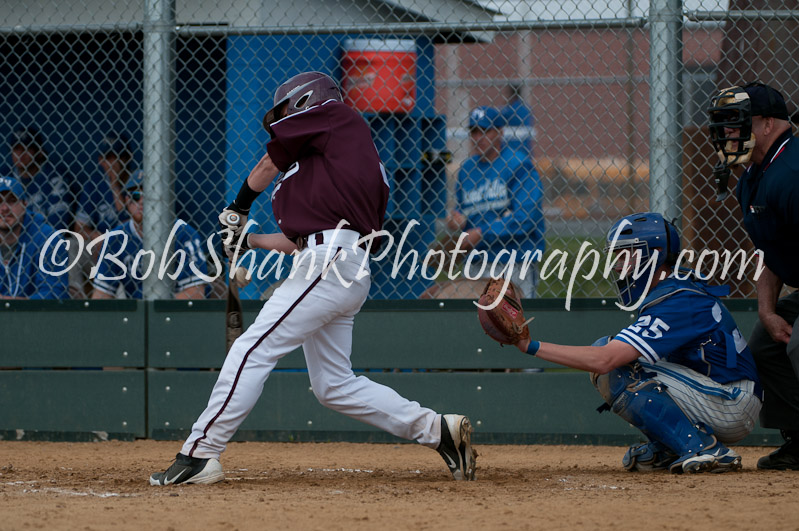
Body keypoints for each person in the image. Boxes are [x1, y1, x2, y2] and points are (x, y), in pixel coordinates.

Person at [149, 71, 477, 486]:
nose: (283, 121)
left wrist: (239, 206)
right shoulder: (330, 157)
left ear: (307, 100)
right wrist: (247, 241)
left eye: (286, 110)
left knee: (251, 350)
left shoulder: (336, 114)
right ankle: (438, 430)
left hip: (330, 262)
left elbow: (269, 166)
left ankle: (200, 453)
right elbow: (299, 239)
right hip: (337, 263)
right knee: (333, 385)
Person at [509, 212, 761, 473]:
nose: (618, 265)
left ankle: (703, 448)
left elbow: (604, 359)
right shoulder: (672, 287)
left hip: (731, 403)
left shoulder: (678, 300)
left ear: (655, 254)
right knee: (627, 362)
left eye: (625, 254)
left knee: (615, 366)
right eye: (616, 256)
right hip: (717, 393)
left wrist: (531, 346)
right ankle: (672, 445)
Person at [708, 81, 799, 470]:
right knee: (765, 343)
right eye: (724, 124)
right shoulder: (754, 177)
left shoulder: (792, 172)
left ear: (768, 124)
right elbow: (768, 250)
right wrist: (767, 310)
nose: (728, 133)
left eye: (736, 122)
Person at [424, 106, 545, 300]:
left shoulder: (519, 164)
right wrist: (457, 219)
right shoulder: (467, 169)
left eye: (485, 131)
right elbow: (462, 210)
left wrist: (481, 233)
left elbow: (526, 217)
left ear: (500, 132)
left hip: (512, 261)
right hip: (476, 263)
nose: (478, 137)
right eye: (474, 132)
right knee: (474, 316)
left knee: (513, 316)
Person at [90, 170, 207, 300]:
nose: (141, 201)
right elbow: (101, 294)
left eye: (149, 195)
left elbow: (195, 293)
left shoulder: (183, 233)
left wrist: (156, 309)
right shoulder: (115, 238)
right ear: (127, 200)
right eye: (135, 196)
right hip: (136, 309)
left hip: (176, 309)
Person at [72, 133, 134, 298]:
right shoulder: (94, 186)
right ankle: (75, 298)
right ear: (101, 160)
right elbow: (79, 227)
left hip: (130, 251)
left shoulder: (138, 183)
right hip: (99, 249)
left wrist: (115, 186)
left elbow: (134, 223)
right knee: (71, 245)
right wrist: (95, 236)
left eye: (117, 157)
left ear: (127, 158)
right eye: (108, 158)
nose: (112, 163)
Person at [0, 176, 69, 299]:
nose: (4, 208)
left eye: (12, 200)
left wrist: (6, 302)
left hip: (37, 312)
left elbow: (54, 295)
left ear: (24, 205)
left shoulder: (48, 239)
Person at [9, 127, 79, 234]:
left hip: (44, 239)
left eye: (26, 149)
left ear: (39, 152)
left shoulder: (54, 177)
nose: (21, 154)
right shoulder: (5, 177)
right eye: (16, 149)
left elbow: (59, 222)